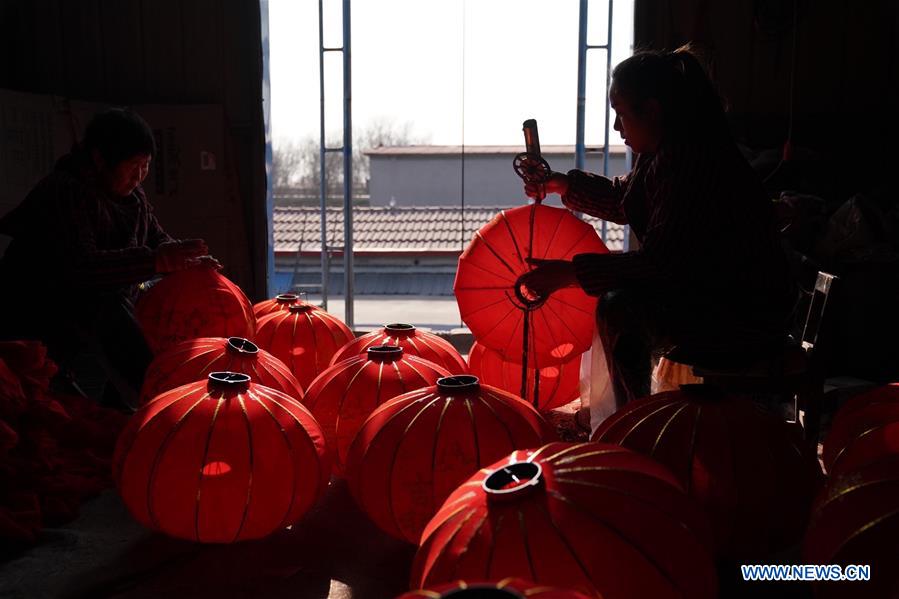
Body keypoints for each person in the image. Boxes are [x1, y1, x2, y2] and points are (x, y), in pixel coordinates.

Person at [519, 45, 797, 408]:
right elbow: (625, 199)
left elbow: (662, 264)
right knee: (620, 302)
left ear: (651, 111)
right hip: (720, 295)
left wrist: (570, 274)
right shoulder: (666, 153)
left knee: (621, 308)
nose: (617, 127)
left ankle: (637, 418)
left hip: (742, 311)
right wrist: (561, 184)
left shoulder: (691, 162)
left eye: (620, 113)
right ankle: (635, 415)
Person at [0, 108, 219, 408]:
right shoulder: (65, 192)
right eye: (133, 166)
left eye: (145, 166)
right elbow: (82, 268)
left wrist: (187, 260)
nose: (139, 176)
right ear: (99, 159)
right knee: (108, 304)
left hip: (89, 329)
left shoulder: (135, 199)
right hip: (37, 322)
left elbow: (157, 240)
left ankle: (141, 402)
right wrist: (158, 260)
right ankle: (160, 401)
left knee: (146, 308)